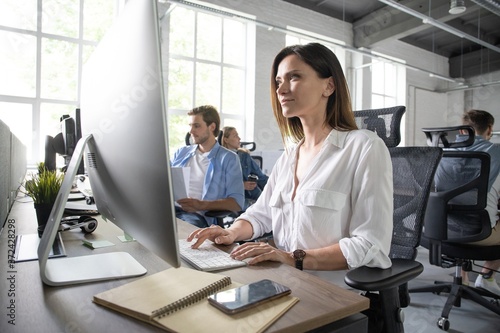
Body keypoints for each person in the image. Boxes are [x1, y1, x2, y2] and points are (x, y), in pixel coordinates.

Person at [186, 43, 393, 272]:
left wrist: (291, 257)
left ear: (329, 85)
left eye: (294, 77)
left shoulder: (364, 148)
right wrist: (231, 232)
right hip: (283, 279)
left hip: (330, 291)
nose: (281, 90)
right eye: (278, 82)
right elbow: (261, 213)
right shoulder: (290, 156)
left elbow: (370, 244)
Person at [434, 109, 500, 294]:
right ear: (489, 130)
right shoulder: (496, 153)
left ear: (462, 131)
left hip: (441, 228)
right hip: (479, 232)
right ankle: (487, 276)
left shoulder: (443, 152)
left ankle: (462, 276)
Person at [171, 105, 244, 228]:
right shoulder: (181, 153)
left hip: (193, 216)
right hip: (169, 210)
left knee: (180, 231)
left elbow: (237, 203)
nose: (191, 131)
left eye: (197, 126)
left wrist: (201, 205)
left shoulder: (228, 158)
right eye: (190, 126)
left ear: (212, 127)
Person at [221, 126, 269, 210]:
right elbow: (218, 184)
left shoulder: (244, 156)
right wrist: (240, 185)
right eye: (235, 136)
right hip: (229, 197)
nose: (239, 138)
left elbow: (261, 177)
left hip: (249, 193)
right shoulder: (219, 158)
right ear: (226, 139)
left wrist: (276, 186)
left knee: (268, 204)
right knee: (258, 209)